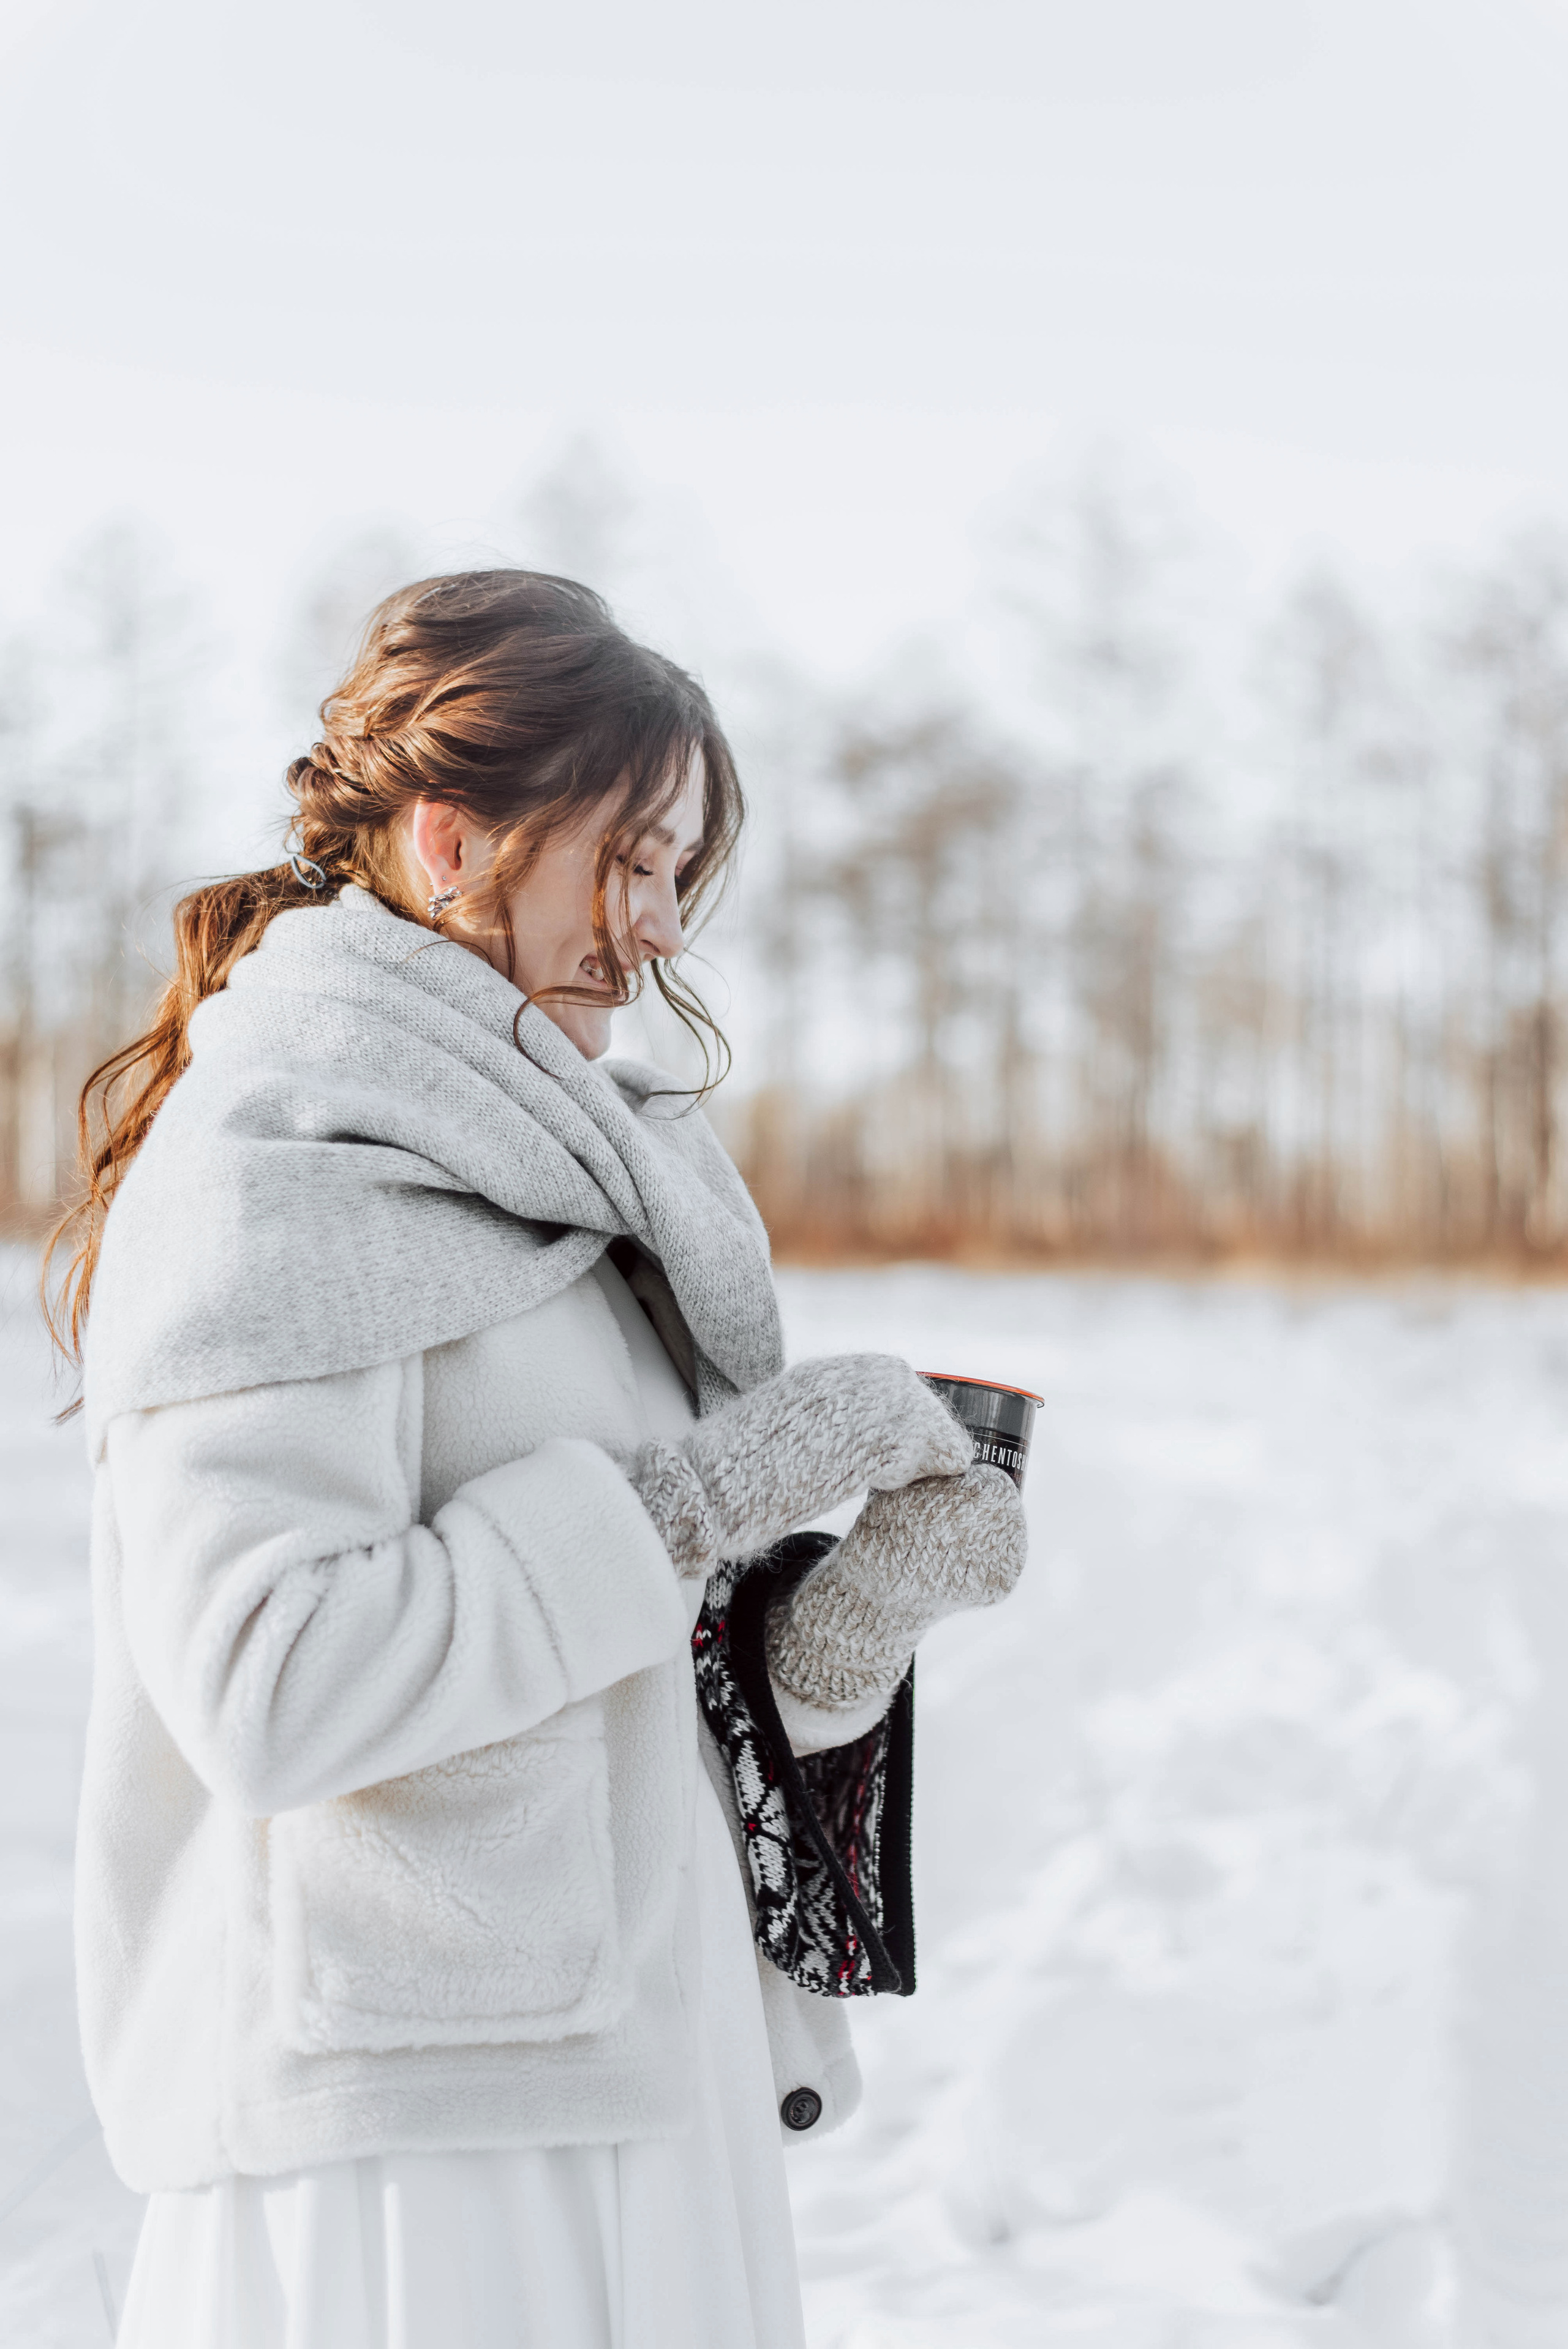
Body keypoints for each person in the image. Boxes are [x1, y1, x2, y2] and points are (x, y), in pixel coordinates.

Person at [48, 569, 1028, 2349]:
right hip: (421, 2168)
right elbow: (272, 1686)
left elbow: (609, 1662)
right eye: (630, 858)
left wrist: (830, 1640)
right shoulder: (277, 1163)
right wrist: (697, 1500)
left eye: (679, 873)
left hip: (638, 2089)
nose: (656, 925)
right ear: (450, 838)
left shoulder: (573, 1172)